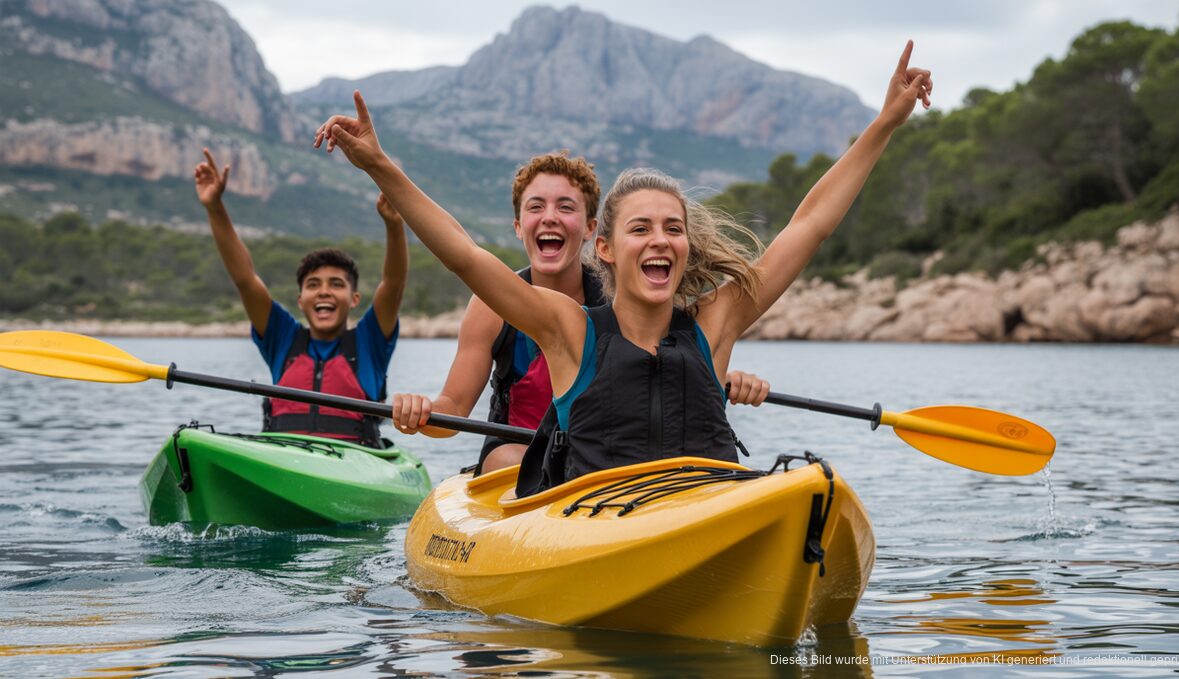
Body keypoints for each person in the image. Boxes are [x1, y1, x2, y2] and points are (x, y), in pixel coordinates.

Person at [315, 41, 931, 490]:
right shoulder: (568, 328)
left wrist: (884, 124)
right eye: (640, 228)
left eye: (673, 228)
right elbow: (465, 256)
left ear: (686, 246)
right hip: (598, 530)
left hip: (706, 512)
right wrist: (380, 165)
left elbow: (810, 225)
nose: (659, 240)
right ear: (604, 247)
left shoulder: (715, 324)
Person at [390, 153, 771, 474]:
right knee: (512, 460)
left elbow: (667, 361)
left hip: (607, 455)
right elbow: (452, 408)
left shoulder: (625, 296)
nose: (550, 218)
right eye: (536, 207)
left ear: (592, 232)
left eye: (565, 207)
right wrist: (423, 413)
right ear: (519, 226)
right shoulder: (498, 306)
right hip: (520, 456)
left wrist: (713, 376)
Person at [193, 148, 409, 446]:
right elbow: (244, 279)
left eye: (336, 284)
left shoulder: (370, 341)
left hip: (356, 463)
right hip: (284, 459)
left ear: (354, 298)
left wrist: (394, 224)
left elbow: (394, 283)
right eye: (313, 285)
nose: (323, 291)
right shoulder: (282, 338)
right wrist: (214, 207)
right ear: (300, 300)